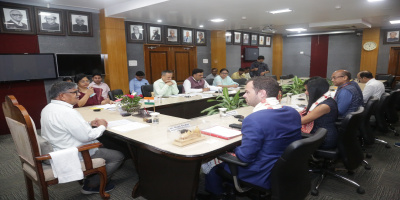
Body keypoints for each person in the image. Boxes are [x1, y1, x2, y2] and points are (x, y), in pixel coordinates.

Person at [204, 76, 301, 198]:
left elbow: (245, 157)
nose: (244, 95)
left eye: (247, 92)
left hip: (261, 172)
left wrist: (231, 150)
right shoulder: (292, 112)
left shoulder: (254, 119)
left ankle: (217, 194)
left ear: (262, 93)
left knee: (211, 161)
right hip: (285, 168)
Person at [40, 81, 124, 194]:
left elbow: (65, 127)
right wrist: (102, 126)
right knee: (118, 156)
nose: (79, 94)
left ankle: (94, 174)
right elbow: (87, 136)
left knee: (107, 144)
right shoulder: (67, 112)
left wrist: (90, 125)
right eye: (75, 92)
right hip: (72, 151)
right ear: (62, 96)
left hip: (58, 147)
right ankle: (93, 184)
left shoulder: (48, 108)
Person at [301, 77, 338, 149]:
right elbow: (304, 112)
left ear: (316, 90)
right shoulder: (325, 99)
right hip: (319, 134)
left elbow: (302, 121)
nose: (306, 92)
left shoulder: (324, 106)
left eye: (308, 90)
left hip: (324, 139)